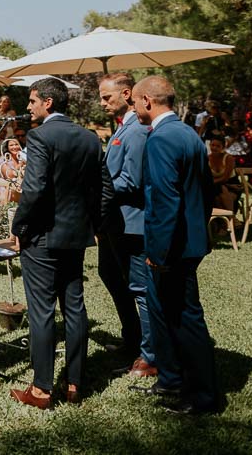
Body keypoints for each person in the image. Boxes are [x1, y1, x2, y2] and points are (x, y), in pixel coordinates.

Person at [8, 77, 112, 409]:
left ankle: (40, 390)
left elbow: (35, 189)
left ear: (48, 103)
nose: (28, 106)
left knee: (41, 312)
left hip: (41, 238)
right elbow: (105, 190)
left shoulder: (40, 136)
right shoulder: (90, 138)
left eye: (32, 100)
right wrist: (93, 225)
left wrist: (19, 225)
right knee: (75, 308)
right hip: (77, 237)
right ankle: (74, 383)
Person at [131, 75, 221, 415]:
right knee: (163, 314)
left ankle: (203, 397)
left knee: (185, 320)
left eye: (135, 101)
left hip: (173, 248)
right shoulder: (188, 134)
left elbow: (164, 201)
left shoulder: (162, 138)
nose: (134, 107)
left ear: (147, 102)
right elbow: (205, 191)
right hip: (190, 240)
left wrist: (158, 253)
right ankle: (169, 379)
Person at [96, 73, 155, 380]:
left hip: (131, 223)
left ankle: (149, 355)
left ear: (127, 94)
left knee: (138, 287)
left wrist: (92, 187)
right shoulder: (122, 129)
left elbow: (131, 180)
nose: (102, 103)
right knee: (110, 275)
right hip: (112, 223)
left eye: (107, 97)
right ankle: (131, 338)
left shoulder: (137, 131)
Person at [208, 137, 238, 213]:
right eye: (213, 145)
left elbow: (225, 178)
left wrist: (210, 182)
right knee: (216, 194)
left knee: (220, 190)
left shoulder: (228, 158)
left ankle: (231, 218)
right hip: (215, 187)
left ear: (223, 148)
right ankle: (224, 221)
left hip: (231, 186)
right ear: (209, 145)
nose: (214, 148)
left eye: (218, 146)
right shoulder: (207, 158)